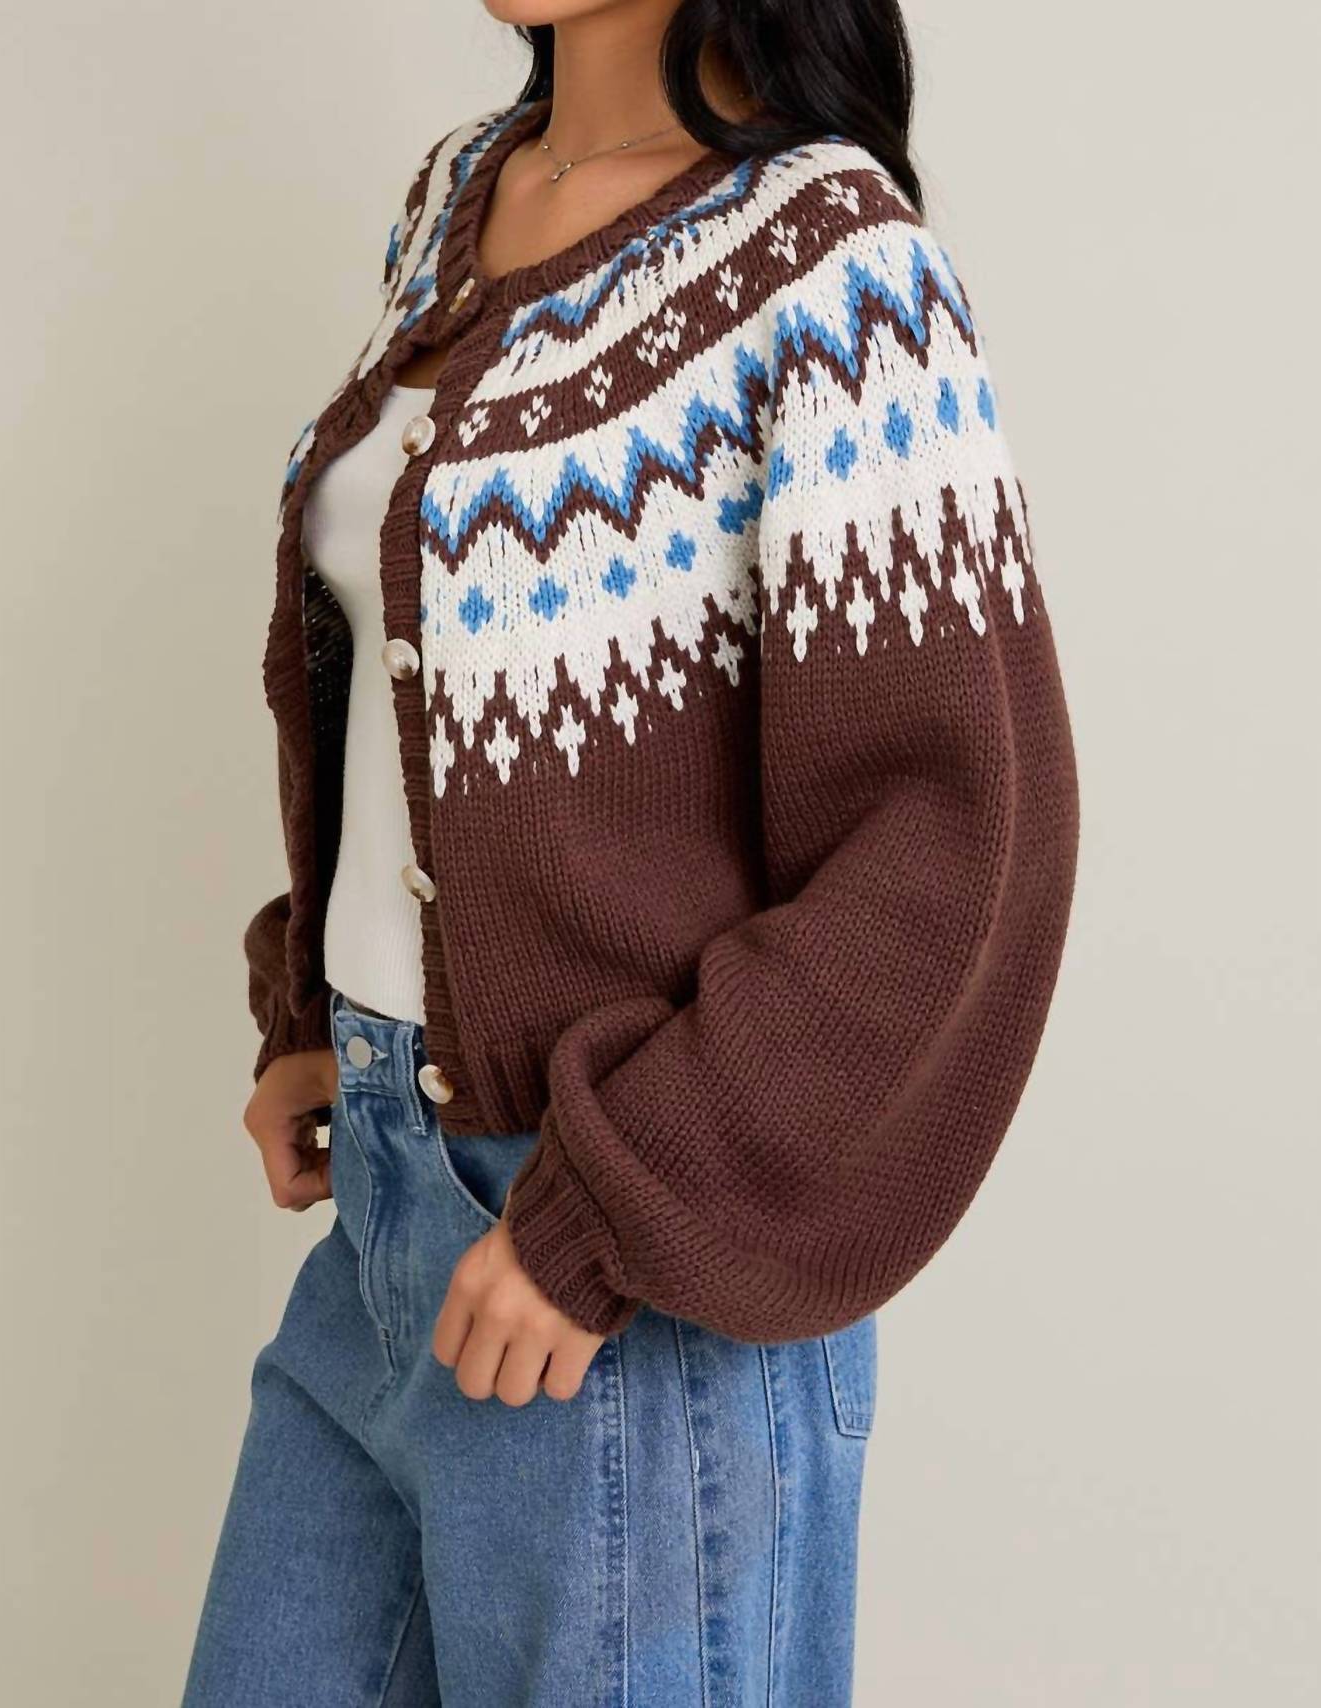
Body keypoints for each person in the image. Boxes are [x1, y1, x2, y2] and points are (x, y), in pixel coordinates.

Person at [182, 0, 1079, 1701]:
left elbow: (949, 851)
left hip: (631, 1276)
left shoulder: (834, 263)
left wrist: (606, 1214)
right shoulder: (459, 195)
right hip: (388, 1211)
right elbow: (415, 681)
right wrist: (315, 1005)